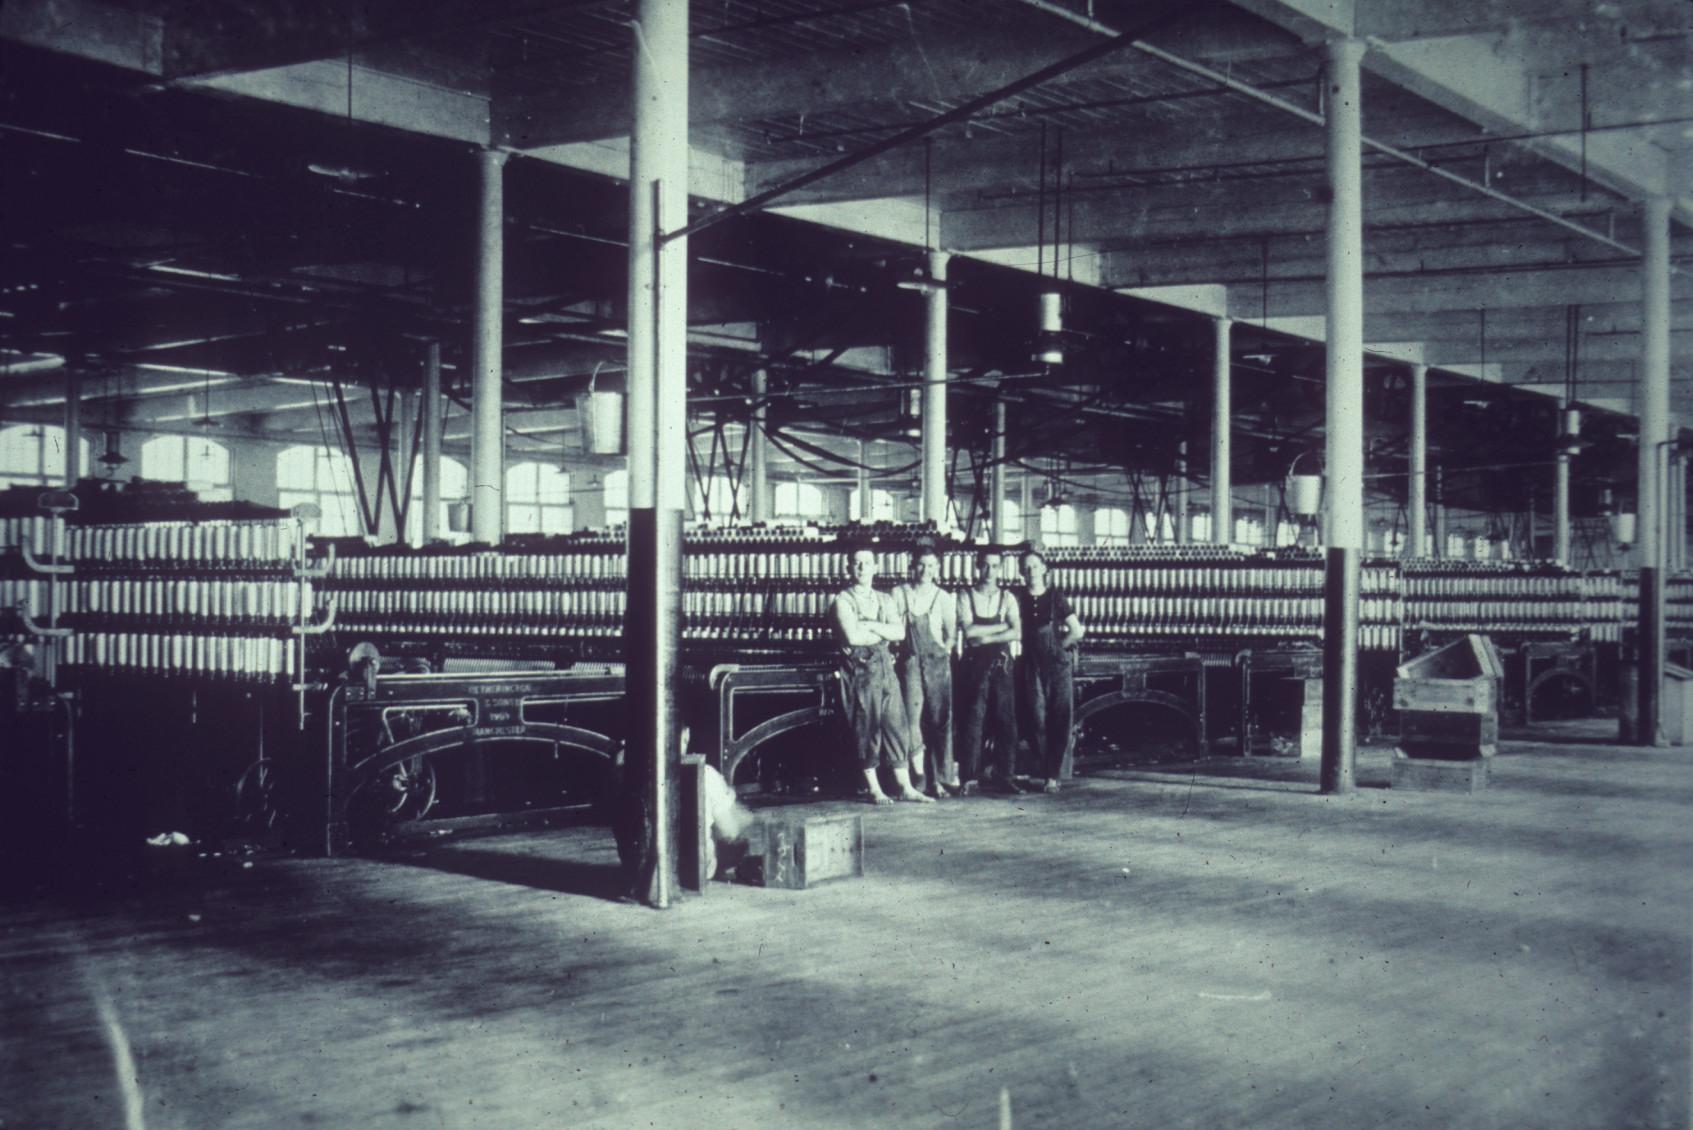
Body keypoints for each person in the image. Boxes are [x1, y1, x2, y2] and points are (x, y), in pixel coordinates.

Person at [832, 545, 933, 805]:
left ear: (876, 567)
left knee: (897, 725)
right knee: (867, 728)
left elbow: (899, 633)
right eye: (857, 563)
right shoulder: (842, 601)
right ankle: (874, 788)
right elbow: (852, 637)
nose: (862, 568)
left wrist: (869, 625)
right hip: (861, 672)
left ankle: (905, 787)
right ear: (848, 568)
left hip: (886, 670)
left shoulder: (885, 599)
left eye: (867, 562)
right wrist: (882, 631)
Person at [1017, 546, 1085, 793]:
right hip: (1031, 664)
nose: (1031, 571)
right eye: (1027, 567)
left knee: (1060, 718)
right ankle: (1043, 769)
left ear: (1045, 569)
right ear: (1021, 572)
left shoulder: (1056, 596)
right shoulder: (1017, 597)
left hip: (1057, 667)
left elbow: (1077, 631)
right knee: (1036, 718)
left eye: (1035, 566)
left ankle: (1052, 776)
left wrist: (1060, 648)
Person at [893, 545, 958, 798]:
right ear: (912, 565)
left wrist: (945, 652)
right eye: (921, 564)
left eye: (931, 565)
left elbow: (951, 634)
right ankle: (916, 779)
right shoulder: (899, 593)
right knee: (911, 721)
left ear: (938, 569)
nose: (925, 570)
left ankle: (939, 779)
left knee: (939, 721)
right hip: (910, 662)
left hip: (937, 664)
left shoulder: (943, 597)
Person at [956, 549, 1021, 794]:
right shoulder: (965, 595)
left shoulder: (1008, 597)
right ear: (977, 566)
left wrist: (984, 637)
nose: (989, 571)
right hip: (973, 667)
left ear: (1000, 568)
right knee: (973, 720)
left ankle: (1006, 776)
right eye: (984, 565)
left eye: (994, 566)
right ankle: (969, 777)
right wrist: (1002, 626)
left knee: (1006, 721)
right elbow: (968, 631)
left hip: (1002, 665)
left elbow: (1017, 632)